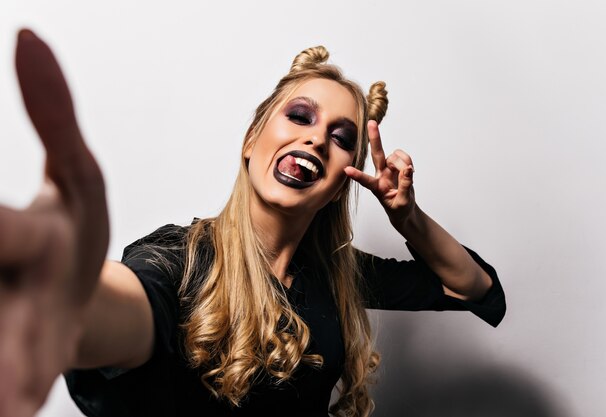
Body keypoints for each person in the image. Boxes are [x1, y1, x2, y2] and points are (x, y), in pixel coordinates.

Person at [0, 29, 505, 417]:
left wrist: (407, 217)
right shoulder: (182, 258)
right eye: (300, 117)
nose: (315, 140)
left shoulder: (335, 273)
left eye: (341, 136)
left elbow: (473, 287)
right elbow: (131, 305)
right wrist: (70, 298)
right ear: (251, 141)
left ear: (341, 183)